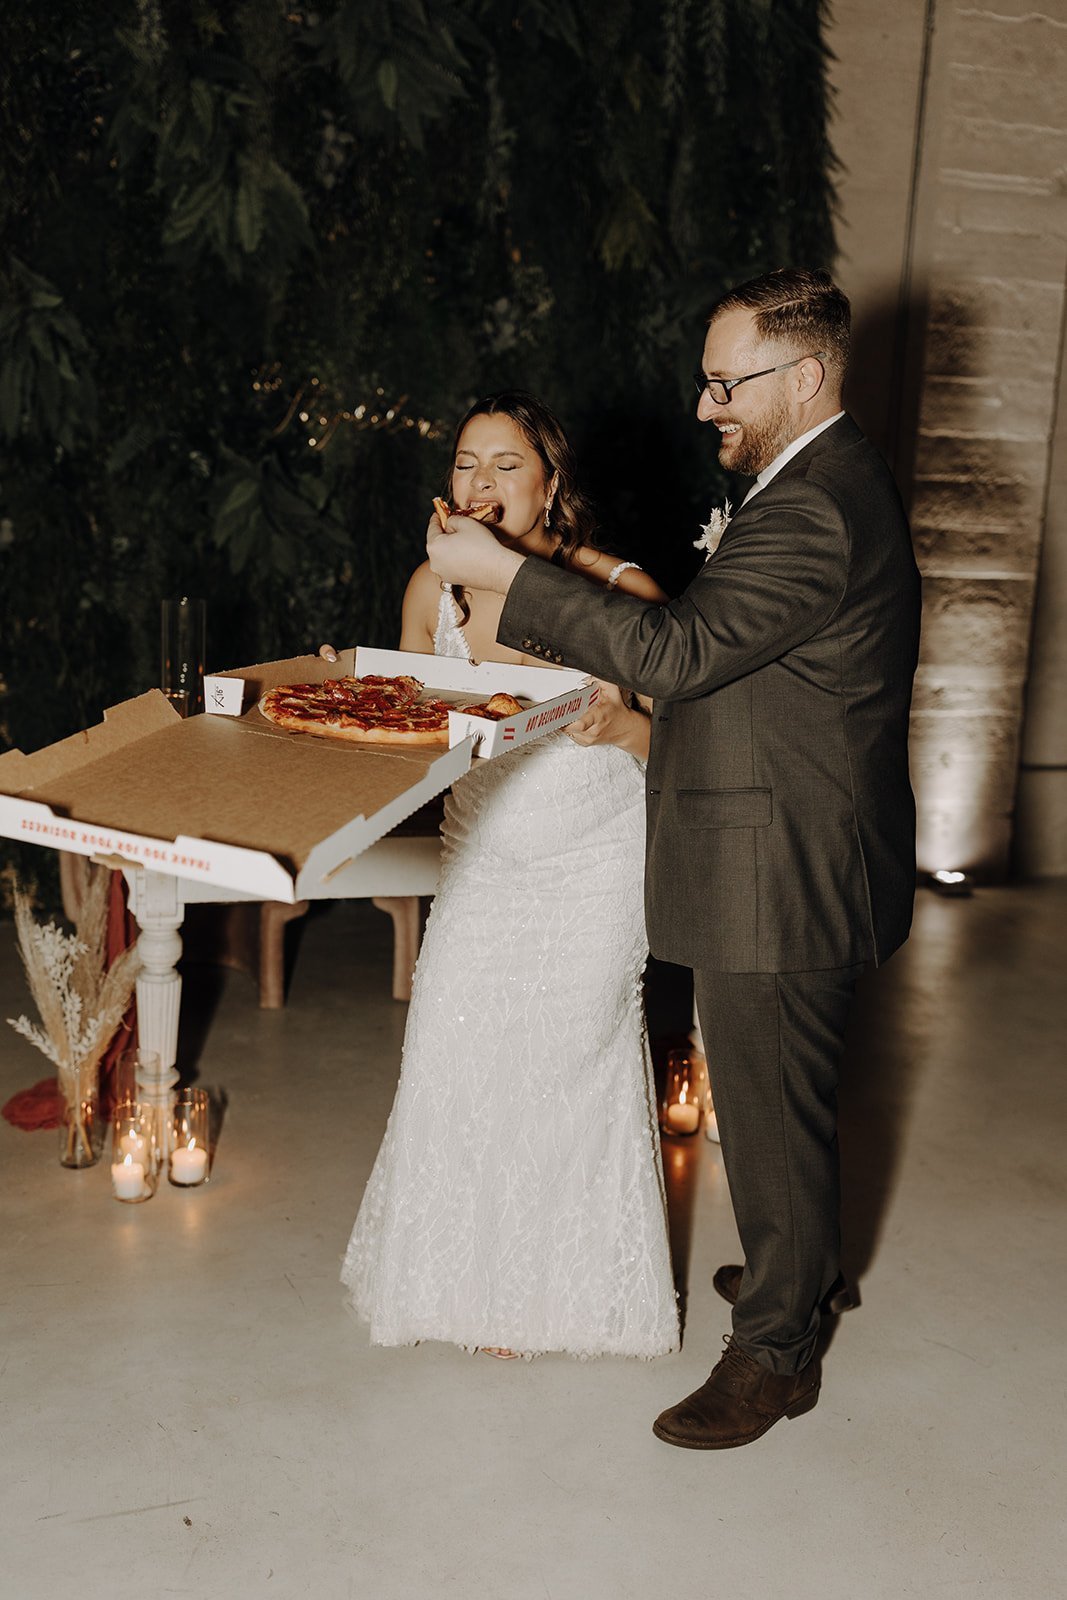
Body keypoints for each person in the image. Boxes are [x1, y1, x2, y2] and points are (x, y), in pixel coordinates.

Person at [427, 269, 922, 1442]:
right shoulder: (810, 479)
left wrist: (512, 581)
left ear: (801, 378)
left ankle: (776, 1352)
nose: (705, 409)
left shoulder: (815, 503)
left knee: (768, 1105)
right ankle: (790, 1265)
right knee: (767, 1100)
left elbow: (685, 648)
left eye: (722, 384)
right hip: (780, 836)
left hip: (785, 859)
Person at [340, 392, 680, 1361]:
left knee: (568, 1067)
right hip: (482, 860)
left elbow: (692, 752)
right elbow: (403, 737)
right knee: (452, 1047)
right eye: (464, 462)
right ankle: (453, 1281)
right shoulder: (427, 590)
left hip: (592, 864)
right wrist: (347, 691)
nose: (479, 483)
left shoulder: (620, 590)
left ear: (550, 483)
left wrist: (623, 725)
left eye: (505, 463)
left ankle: (555, 1299)